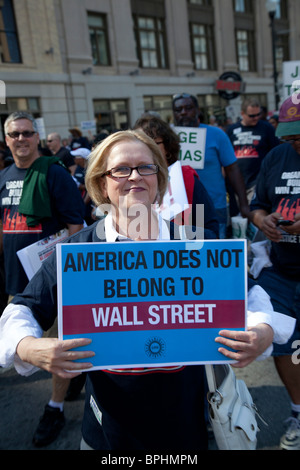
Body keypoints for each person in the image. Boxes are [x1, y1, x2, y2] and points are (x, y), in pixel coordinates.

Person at [0, 129, 294, 451]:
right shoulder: (77, 250)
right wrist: (28, 348)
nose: (135, 177)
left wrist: (263, 331)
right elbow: (23, 308)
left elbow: (249, 295)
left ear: (159, 180)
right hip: (107, 433)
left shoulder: (192, 242)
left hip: (186, 428)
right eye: (121, 169)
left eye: (146, 167)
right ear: (102, 184)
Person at [0, 111, 85, 446]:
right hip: (13, 278)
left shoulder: (54, 174)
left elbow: (77, 229)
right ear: (7, 141)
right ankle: (72, 382)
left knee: (57, 346)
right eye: (14, 134)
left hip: (50, 281)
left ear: (37, 137)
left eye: (27, 133)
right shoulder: (4, 176)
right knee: (22, 339)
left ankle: (55, 406)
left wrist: (64, 273)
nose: (21, 139)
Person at [250, 94, 300, 450]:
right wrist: (262, 220)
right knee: (286, 347)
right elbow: (257, 205)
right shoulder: (276, 156)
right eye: (290, 133)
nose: (295, 141)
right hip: (281, 271)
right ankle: (298, 412)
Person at [172, 93, 249, 238]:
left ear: (197, 110)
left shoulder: (216, 134)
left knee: (213, 253)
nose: (183, 112)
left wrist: (243, 204)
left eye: (188, 108)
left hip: (214, 206)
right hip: (179, 208)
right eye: (178, 109)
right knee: (186, 254)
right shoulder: (167, 138)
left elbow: (232, 169)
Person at [133, 114, 219, 238]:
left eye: (152, 143)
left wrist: (171, 231)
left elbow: (211, 233)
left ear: (167, 148)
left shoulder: (187, 180)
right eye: (140, 144)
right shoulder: (131, 182)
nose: (146, 149)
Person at [227, 98, 280, 203]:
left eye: (258, 114)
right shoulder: (231, 130)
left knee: (254, 214)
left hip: (258, 181)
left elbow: (275, 153)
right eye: (252, 116)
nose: (256, 118)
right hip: (236, 182)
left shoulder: (267, 128)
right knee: (238, 217)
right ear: (242, 113)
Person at [71, 147, 94, 226]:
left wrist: (83, 203)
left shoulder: (91, 170)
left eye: (76, 156)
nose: (74, 158)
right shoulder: (78, 168)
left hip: (88, 207)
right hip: (80, 203)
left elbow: (92, 188)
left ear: (83, 158)